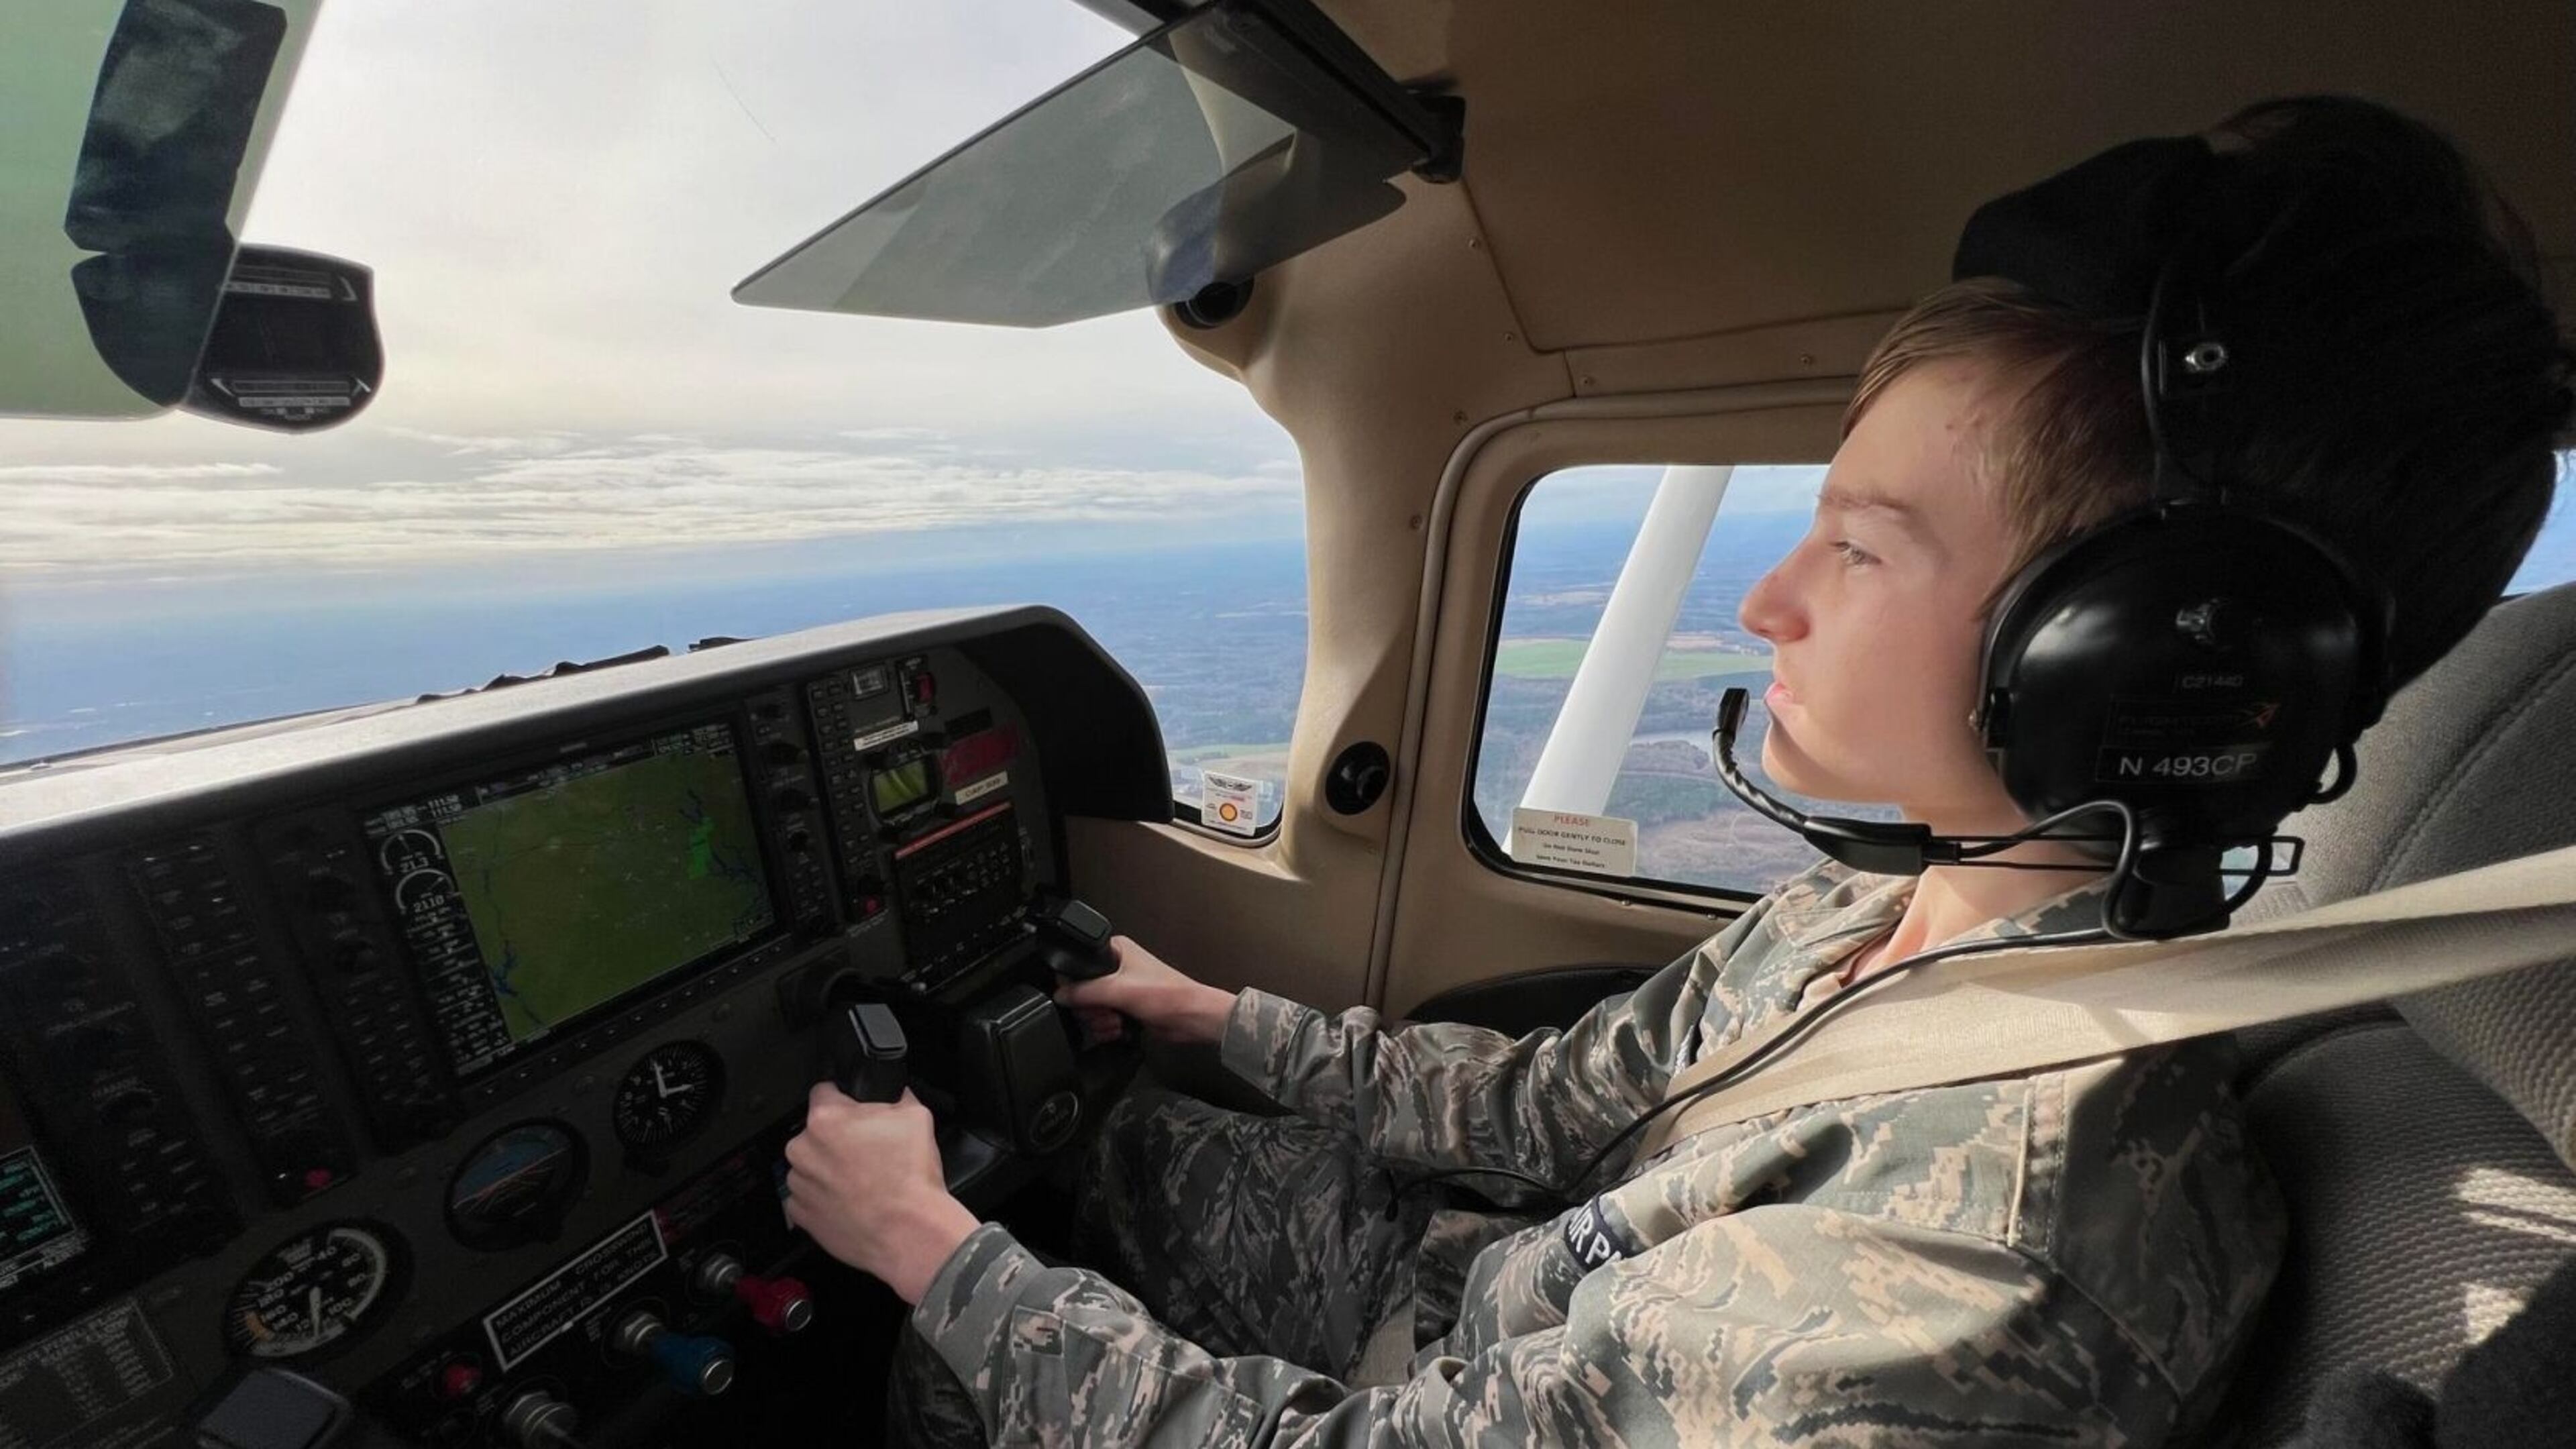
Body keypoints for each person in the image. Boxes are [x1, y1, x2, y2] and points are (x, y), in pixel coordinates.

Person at [780, 95, 2572, 1446]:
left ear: (2126, 662)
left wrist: (944, 1267)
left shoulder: (1962, 1279)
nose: (1770, 599)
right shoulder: (1899, 901)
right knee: (1113, 1149)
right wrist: (1210, 1015)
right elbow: (1555, 1108)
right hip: (1510, 1308)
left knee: (945, 1351)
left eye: (1862, 550)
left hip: (1469, 1384)